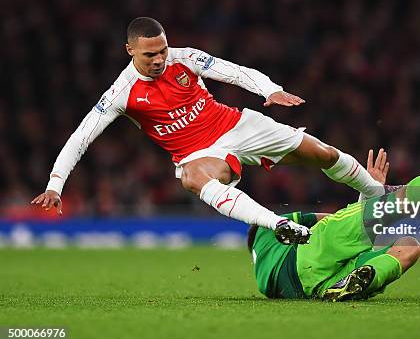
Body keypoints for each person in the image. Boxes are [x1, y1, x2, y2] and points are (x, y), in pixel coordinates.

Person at [31, 17, 390, 243]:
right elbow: (81, 136)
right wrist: (55, 184)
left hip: (235, 124)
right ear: (129, 51)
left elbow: (233, 71)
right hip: (199, 153)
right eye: (149, 55)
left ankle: (376, 195)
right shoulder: (121, 93)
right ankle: (276, 224)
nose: (159, 60)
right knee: (192, 177)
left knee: (323, 154)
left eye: (162, 50)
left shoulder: (184, 57)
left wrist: (270, 90)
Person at [247, 138, 420, 301]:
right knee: (400, 204)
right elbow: (330, 218)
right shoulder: (265, 226)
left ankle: (353, 284)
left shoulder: (263, 282)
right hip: (311, 254)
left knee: (408, 247)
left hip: (313, 286)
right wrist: (373, 195)